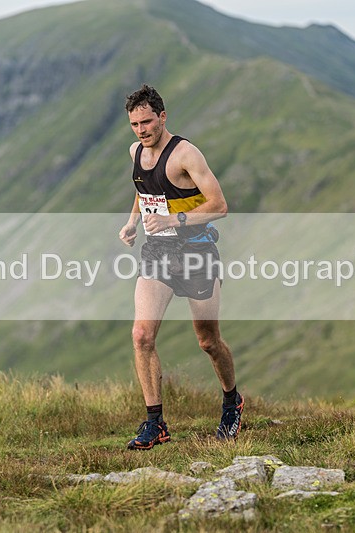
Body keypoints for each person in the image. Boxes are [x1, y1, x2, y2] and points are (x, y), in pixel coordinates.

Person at [118, 84, 243, 450]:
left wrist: (173, 220)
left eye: (147, 122)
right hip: (157, 253)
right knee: (142, 336)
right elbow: (145, 191)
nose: (142, 130)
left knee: (208, 341)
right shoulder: (135, 151)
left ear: (163, 116)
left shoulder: (185, 154)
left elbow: (220, 206)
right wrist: (132, 222)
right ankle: (155, 423)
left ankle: (232, 401)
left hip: (197, 253)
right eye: (135, 124)